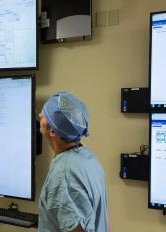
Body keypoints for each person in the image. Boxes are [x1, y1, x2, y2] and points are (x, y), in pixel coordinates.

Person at [38, 92, 109, 232]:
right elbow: (105, 218)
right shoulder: (88, 159)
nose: (40, 115)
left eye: (45, 115)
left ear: (53, 131)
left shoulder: (64, 176)